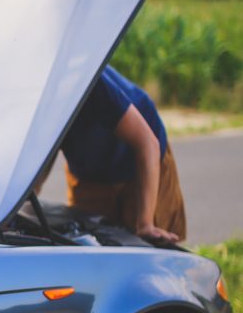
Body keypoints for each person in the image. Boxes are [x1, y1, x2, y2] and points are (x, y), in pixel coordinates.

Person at [52, 65, 187, 244]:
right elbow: (39, 156)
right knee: (87, 245)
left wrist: (145, 223)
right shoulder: (28, 96)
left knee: (148, 245)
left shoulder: (87, 80)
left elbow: (147, 143)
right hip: (89, 171)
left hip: (142, 160)